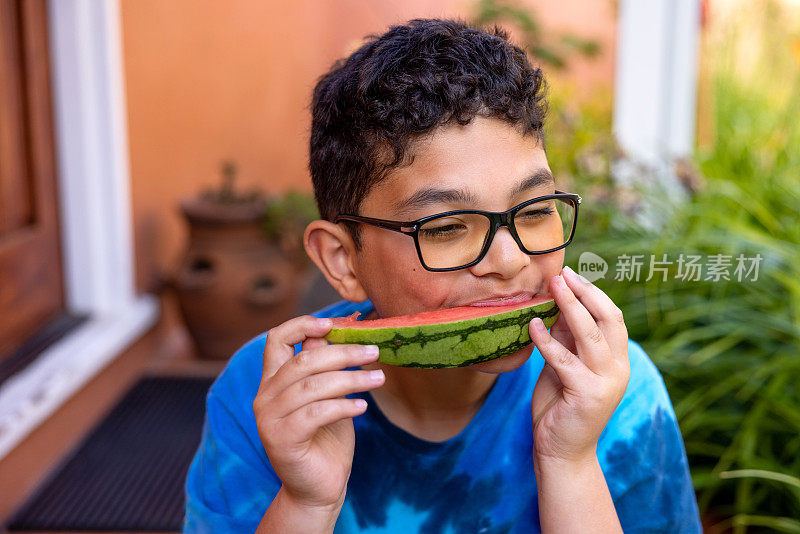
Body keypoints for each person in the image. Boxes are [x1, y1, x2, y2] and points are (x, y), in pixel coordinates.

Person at [184, 18, 702, 533]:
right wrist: (306, 502)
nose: (508, 259)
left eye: (536, 209)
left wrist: (569, 459)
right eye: (448, 226)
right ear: (343, 260)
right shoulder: (264, 397)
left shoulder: (611, 391)